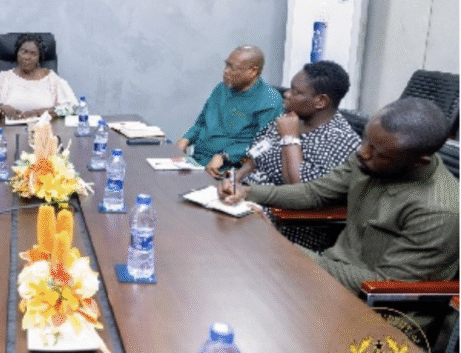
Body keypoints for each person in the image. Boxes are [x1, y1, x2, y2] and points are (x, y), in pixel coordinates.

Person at [220, 98, 458, 314]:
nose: (362, 152)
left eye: (379, 153)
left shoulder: (439, 210)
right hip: (330, 277)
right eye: (366, 140)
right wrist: (249, 192)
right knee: (234, 286)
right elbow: (315, 192)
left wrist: (284, 249)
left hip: (379, 314)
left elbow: (385, 285)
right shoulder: (372, 157)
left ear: (419, 161)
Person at [233, 61, 362, 251]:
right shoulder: (292, 119)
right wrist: (234, 179)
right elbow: (256, 156)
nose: (287, 94)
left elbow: (301, 192)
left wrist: (290, 139)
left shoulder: (340, 140)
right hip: (249, 199)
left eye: (296, 92)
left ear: (321, 101)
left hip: (287, 223)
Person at [177, 45, 284, 177]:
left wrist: (225, 156)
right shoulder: (221, 89)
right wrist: (185, 139)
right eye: (226, 65)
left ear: (253, 71)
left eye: (232, 68)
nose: (225, 71)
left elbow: (265, 144)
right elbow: (201, 123)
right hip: (197, 161)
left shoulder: (270, 100)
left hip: (228, 170)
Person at [0, 33, 78, 119]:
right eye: (24, 52)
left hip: (43, 130)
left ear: (39, 57)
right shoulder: (4, 77)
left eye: (33, 54)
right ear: (17, 54)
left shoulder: (52, 79)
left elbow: (72, 107)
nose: (27, 57)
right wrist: (0, 109)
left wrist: (39, 112)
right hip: (9, 131)